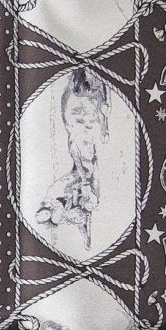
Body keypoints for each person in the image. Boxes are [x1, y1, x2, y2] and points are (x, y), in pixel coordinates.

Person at [34, 67, 109, 250]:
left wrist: (104, 126)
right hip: (83, 176)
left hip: (90, 175)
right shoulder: (76, 140)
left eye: (89, 120)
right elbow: (79, 164)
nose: (86, 123)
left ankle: (80, 223)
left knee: (88, 199)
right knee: (67, 192)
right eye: (79, 119)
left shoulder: (95, 133)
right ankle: (75, 220)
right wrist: (84, 181)